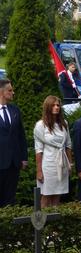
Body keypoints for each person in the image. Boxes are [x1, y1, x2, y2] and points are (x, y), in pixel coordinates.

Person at [34, 96, 73, 207]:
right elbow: (38, 149)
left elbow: (68, 145)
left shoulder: (64, 123)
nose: (56, 107)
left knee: (57, 194)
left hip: (62, 163)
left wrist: (70, 163)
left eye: (58, 105)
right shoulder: (40, 125)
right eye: (53, 105)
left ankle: (55, 220)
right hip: (48, 164)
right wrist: (39, 171)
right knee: (46, 195)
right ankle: (42, 221)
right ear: (47, 107)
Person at [0, 79, 28, 207]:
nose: (13, 92)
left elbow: (21, 135)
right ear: (1, 92)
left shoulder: (15, 110)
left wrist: (24, 157)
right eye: (10, 90)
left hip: (14, 162)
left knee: (10, 198)